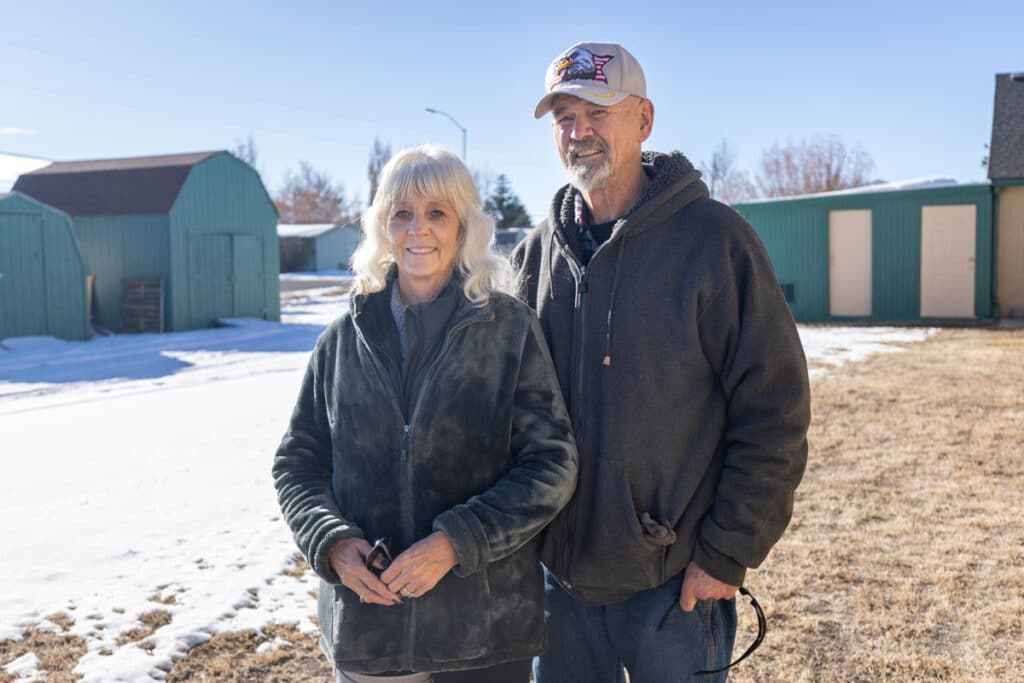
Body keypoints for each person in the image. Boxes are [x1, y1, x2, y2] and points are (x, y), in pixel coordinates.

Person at [512, 42, 811, 682]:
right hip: (559, 584)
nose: (578, 131)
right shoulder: (535, 256)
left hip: (675, 585)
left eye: (597, 111)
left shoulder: (714, 242)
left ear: (644, 120)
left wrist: (726, 555)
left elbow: (774, 411)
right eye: (564, 116)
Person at [274, 145, 578, 683]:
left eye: (437, 212)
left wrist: (456, 542)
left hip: (483, 635)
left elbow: (552, 465)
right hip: (372, 634)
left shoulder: (509, 330)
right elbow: (297, 465)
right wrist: (334, 545)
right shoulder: (342, 340)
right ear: (381, 226)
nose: (419, 229)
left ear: (465, 225)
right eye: (402, 213)